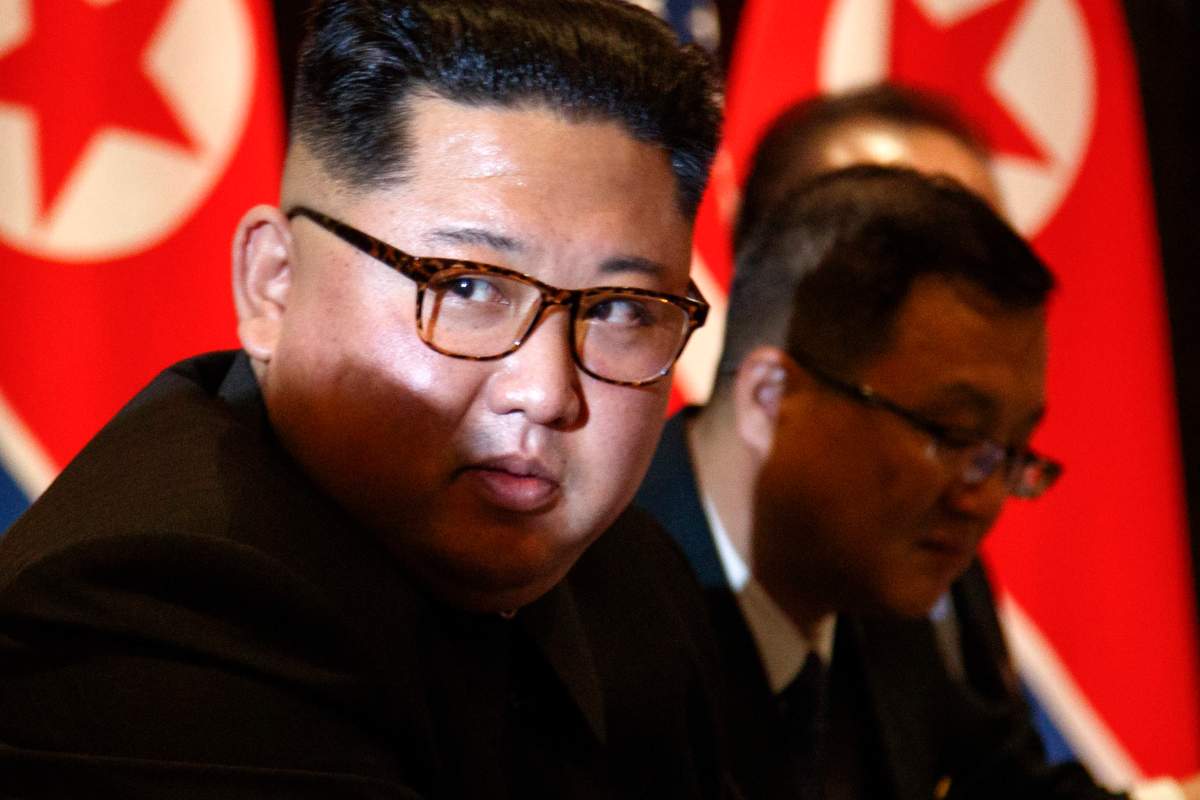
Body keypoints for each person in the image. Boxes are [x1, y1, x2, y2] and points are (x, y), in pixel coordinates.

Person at [0, 1, 728, 797]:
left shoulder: (633, 574)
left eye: (621, 309)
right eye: (469, 286)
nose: (546, 392)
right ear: (272, 284)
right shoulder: (144, 615)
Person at [637, 164, 1132, 800]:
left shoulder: (890, 588)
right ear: (771, 396)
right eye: (952, 433)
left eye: (1010, 451)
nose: (982, 497)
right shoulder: (591, 602)